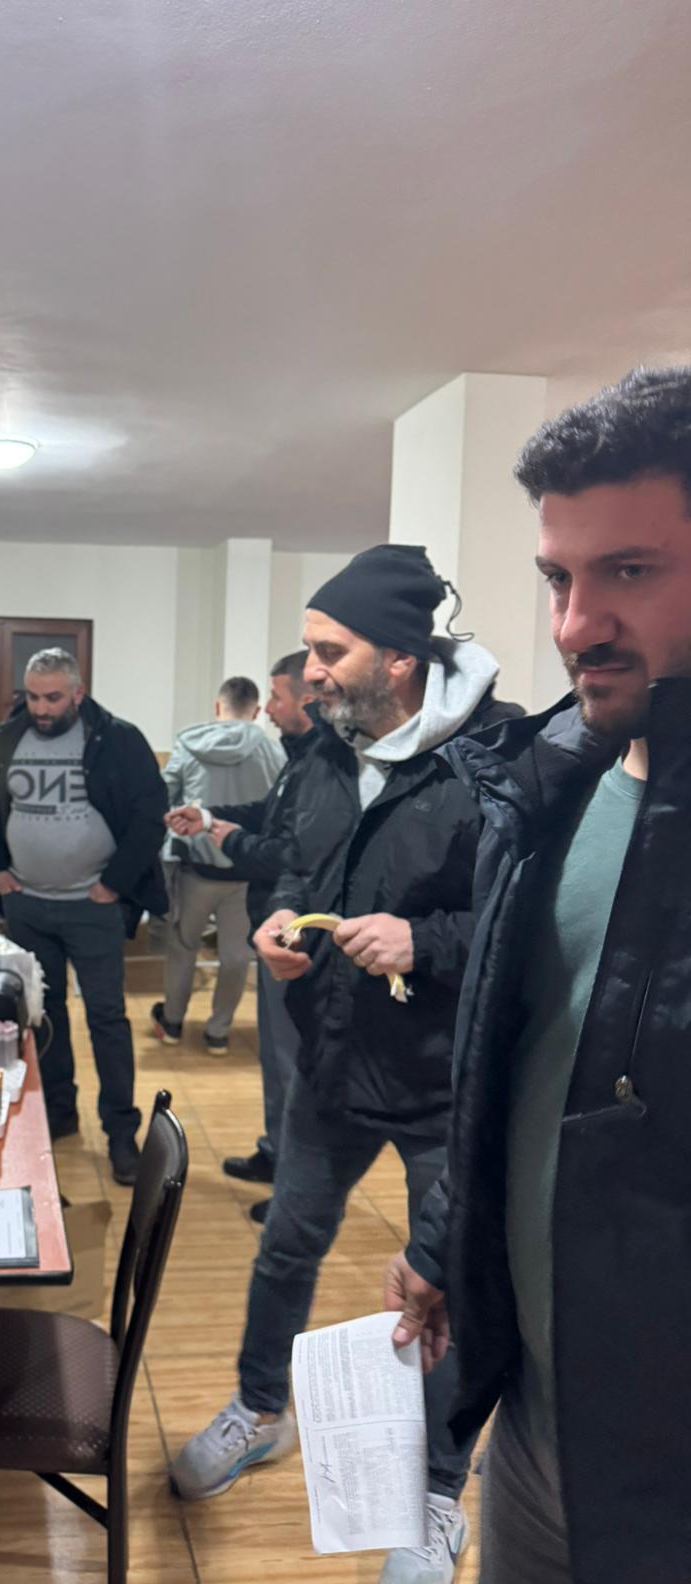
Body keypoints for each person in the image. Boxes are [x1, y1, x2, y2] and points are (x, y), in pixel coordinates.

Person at [385, 367, 691, 1584]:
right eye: (560, 578)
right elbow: (522, 1058)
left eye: (631, 570)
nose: (573, 625)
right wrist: (447, 1240)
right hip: (533, 1426)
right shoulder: (548, 785)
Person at [171, 545, 520, 1584]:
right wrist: (281, 920)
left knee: (442, 1289)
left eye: (330, 650)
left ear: (401, 658)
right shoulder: (326, 749)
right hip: (329, 1063)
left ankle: (437, 1494)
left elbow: (529, 925)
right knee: (287, 1247)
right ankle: (259, 1408)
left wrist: (427, 941)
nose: (310, 671)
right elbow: (294, 862)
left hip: (443, 1084)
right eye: (310, 650)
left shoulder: (497, 759)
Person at [0, 648, 168, 1185]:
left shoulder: (117, 738)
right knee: (46, 1015)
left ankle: (121, 1133)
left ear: (78, 693)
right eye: (33, 696)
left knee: (107, 1018)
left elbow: (149, 817)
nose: (41, 708)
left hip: (92, 905)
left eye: (53, 697)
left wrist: (114, 883)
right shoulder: (6, 739)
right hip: (28, 904)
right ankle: (59, 1112)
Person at [165, 651, 315, 1211]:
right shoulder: (292, 755)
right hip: (266, 912)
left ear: (308, 700)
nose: (268, 710)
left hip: (294, 925)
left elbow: (289, 853)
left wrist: (227, 838)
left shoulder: (326, 764)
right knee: (275, 1055)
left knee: (292, 1062)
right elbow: (269, 811)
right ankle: (276, 1152)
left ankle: (295, 1185)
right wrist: (209, 818)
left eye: (277, 698)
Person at [151, 675, 284, 1053]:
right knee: (237, 956)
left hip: (197, 869)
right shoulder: (275, 753)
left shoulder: (188, 745)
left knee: (183, 945)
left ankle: (172, 1022)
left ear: (217, 707)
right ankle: (218, 1033)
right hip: (249, 869)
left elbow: (165, 795)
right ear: (256, 712)